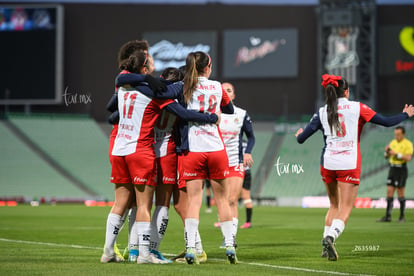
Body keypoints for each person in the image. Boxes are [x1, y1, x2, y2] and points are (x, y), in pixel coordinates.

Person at [295, 74, 414, 261]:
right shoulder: (358, 108)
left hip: (327, 163)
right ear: (347, 91)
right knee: (346, 207)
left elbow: (302, 139)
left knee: (334, 204)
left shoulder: (322, 111)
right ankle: (331, 237)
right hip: (348, 164)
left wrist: (298, 134)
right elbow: (386, 121)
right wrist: (405, 114)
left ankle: (325, 247)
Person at [177, 51, 237, 265]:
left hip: (194, 148)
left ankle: (191, 249)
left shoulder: (185, 86)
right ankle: (230, 244)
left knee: (194, 201)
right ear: (208, 67)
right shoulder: (218, 86)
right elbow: (229, 109)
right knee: (223, 200)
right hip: (216, 148)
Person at [218, 82, 255, 244]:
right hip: (217, 163)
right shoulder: (213, 113)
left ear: (233, 95)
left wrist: (248, 152)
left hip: (235, 162)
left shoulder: (241, 114)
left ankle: (230, 238)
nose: (225, 93)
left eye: (229, 91)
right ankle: (227, 235)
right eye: (222, 91)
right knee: (222, 201)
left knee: (232, 199)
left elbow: (251, 136)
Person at [377, 126, 413, 223]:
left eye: (398, 134)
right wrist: (387, 152)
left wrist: (395, 154)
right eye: (395, 134)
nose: (396, 136)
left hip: (401, 169)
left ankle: (401, 217)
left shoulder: (408, 144)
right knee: (389, 191)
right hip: (392, 168)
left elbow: (408, 158)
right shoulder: (393, 142)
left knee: (400, 192)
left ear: (403, 134)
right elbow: (386, 156)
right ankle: (388, 216)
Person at [240, 140, 254, 229]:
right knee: (247, 197)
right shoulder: (247, 142)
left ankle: (224, 221)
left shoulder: (235, 140)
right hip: (247, 171)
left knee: (227, 197)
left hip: (237, 171)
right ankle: (248, 222)